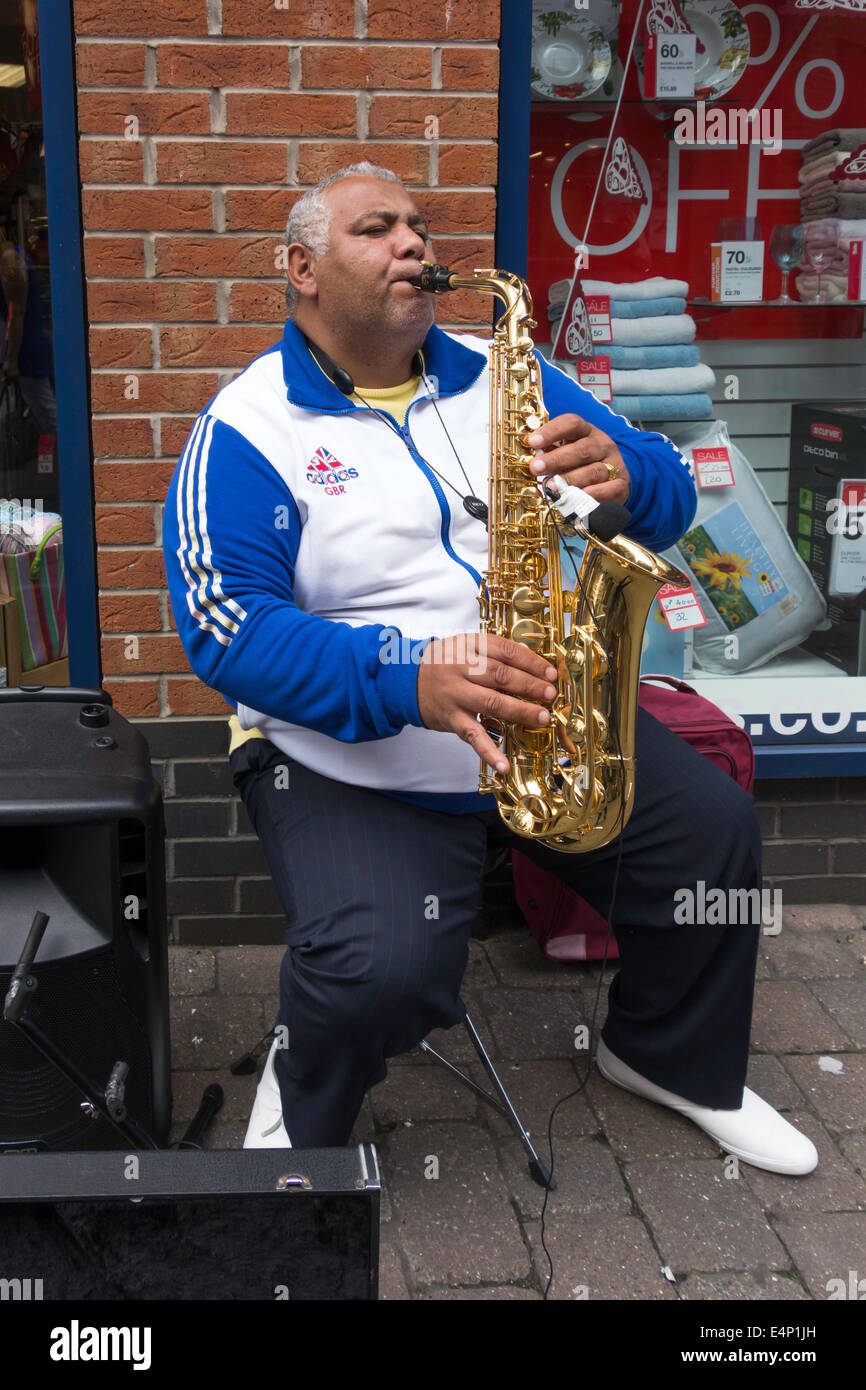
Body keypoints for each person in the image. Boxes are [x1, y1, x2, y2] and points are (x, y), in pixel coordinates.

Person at [162, 163, 817, 1176]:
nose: (413, 245)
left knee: (710, 840)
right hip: (351, 756)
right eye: (376, 228)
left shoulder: (496, 366)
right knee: (379, 969)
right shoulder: (247, 428)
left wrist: (630, 475)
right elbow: (226, 631)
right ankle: (302, 1103)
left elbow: (668, 477)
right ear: (299, 268)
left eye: (418, 226)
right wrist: (407, 678)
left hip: (535, 712)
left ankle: (670, 1056)